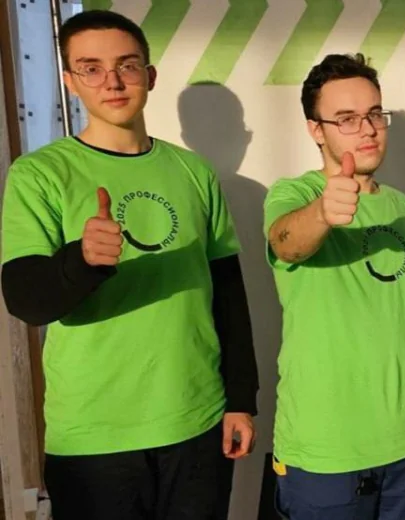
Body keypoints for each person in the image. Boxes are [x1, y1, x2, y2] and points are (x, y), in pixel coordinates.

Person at [0, 10, 258, 519]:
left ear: (150, 75)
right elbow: (25, 300)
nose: (112, 82)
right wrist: (81, 260)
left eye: (127, 65)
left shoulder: (194, 171)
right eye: (91, 68)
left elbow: (228, 293)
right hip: (95, 437)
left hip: (197, 422)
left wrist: (241, 399)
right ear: (70, 82)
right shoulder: (39, 174)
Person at [262, 53, 405, 520]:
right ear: (316, 130)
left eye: (374, 114)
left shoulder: (401, 207)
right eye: (347, 119)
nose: (368, 129)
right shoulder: (294, 195)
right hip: (327, 452)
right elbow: (286, 242)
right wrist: (322, 213)